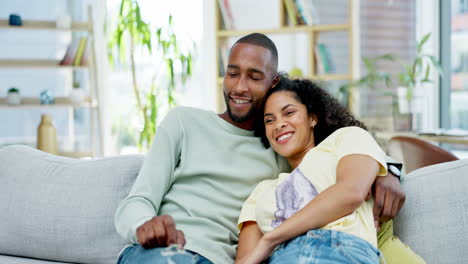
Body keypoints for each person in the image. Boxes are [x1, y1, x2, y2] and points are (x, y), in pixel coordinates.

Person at [114, 33, 408, 264]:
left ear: (273, 82)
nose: (240, 87)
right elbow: (137, 200)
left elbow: (337, 157)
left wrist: (387, 171)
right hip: (162, 251)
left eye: (254, 77)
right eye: (232, 73)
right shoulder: (183, 122)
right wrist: (145, 225)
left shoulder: (280, 150)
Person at [236, 77, 390, 263]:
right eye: (269, 120)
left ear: (312, 117)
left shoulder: (346, 138)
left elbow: (351, 193)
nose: (279, 124)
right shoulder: (262, 191)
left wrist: (270, 239)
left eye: (289, 113)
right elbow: (246, 259)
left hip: (340, 250)